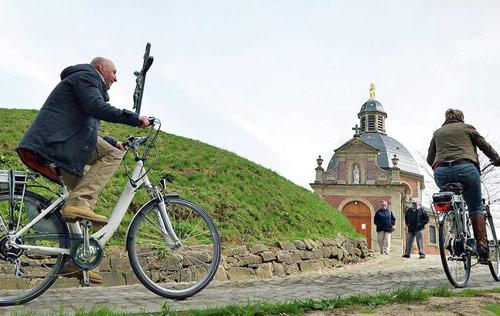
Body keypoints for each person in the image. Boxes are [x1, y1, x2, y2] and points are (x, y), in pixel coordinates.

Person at [17, 57, 150, 283]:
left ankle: (75, 260)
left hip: (65, 143)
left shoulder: (82, 81)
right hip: (60, 142)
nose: (116, 78)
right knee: (107, 163)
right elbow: (96, 108)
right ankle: (79, 203)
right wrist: (135, 119)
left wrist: (109, 140)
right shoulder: (87, 76)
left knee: (80, 204)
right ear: (101, 68)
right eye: (114, 72)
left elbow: (83, 123)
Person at [426, 108, 500, 262]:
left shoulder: (437, 133)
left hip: (442, 172)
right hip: (466, 169)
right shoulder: (467, 128)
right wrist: (496, 159)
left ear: (446, 118)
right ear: (461, 118)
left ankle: (454, 236)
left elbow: (429, 159)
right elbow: (484, 145)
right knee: (475, 207)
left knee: (451, 203)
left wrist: (442, 165)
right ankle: (482, 247)